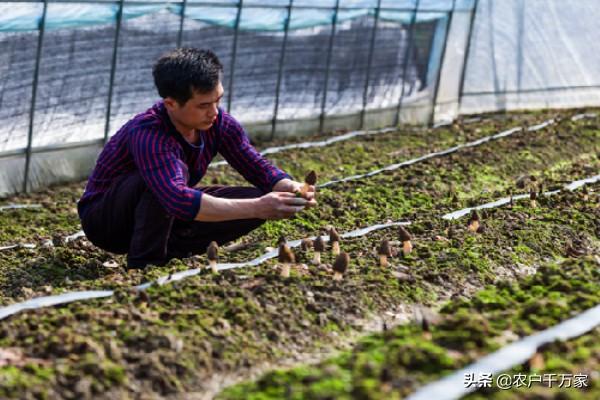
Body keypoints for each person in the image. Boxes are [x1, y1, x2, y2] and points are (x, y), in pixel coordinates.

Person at [77, 48, 317, 268]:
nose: (214, 111)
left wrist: (289, 187)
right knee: (162, 182)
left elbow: (255, 165)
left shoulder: (219, 124)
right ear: (171, 103)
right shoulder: (149, 133)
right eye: (203, 105)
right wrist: (258, 207)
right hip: (107, 222)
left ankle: (169, 250)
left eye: (218, 100)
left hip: (166, 211)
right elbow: (176, 198)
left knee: (257, 199)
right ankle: (144, 264)